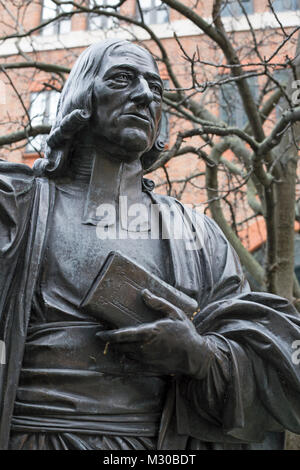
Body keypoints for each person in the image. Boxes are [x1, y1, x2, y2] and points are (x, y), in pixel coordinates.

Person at [0, 39, 300, 450]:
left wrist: (199, 354)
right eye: (122, 78)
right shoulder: (16, 207)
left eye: (156, 88)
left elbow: (271, 363)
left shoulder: (197, 236)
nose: (144, 94)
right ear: (82, 96)